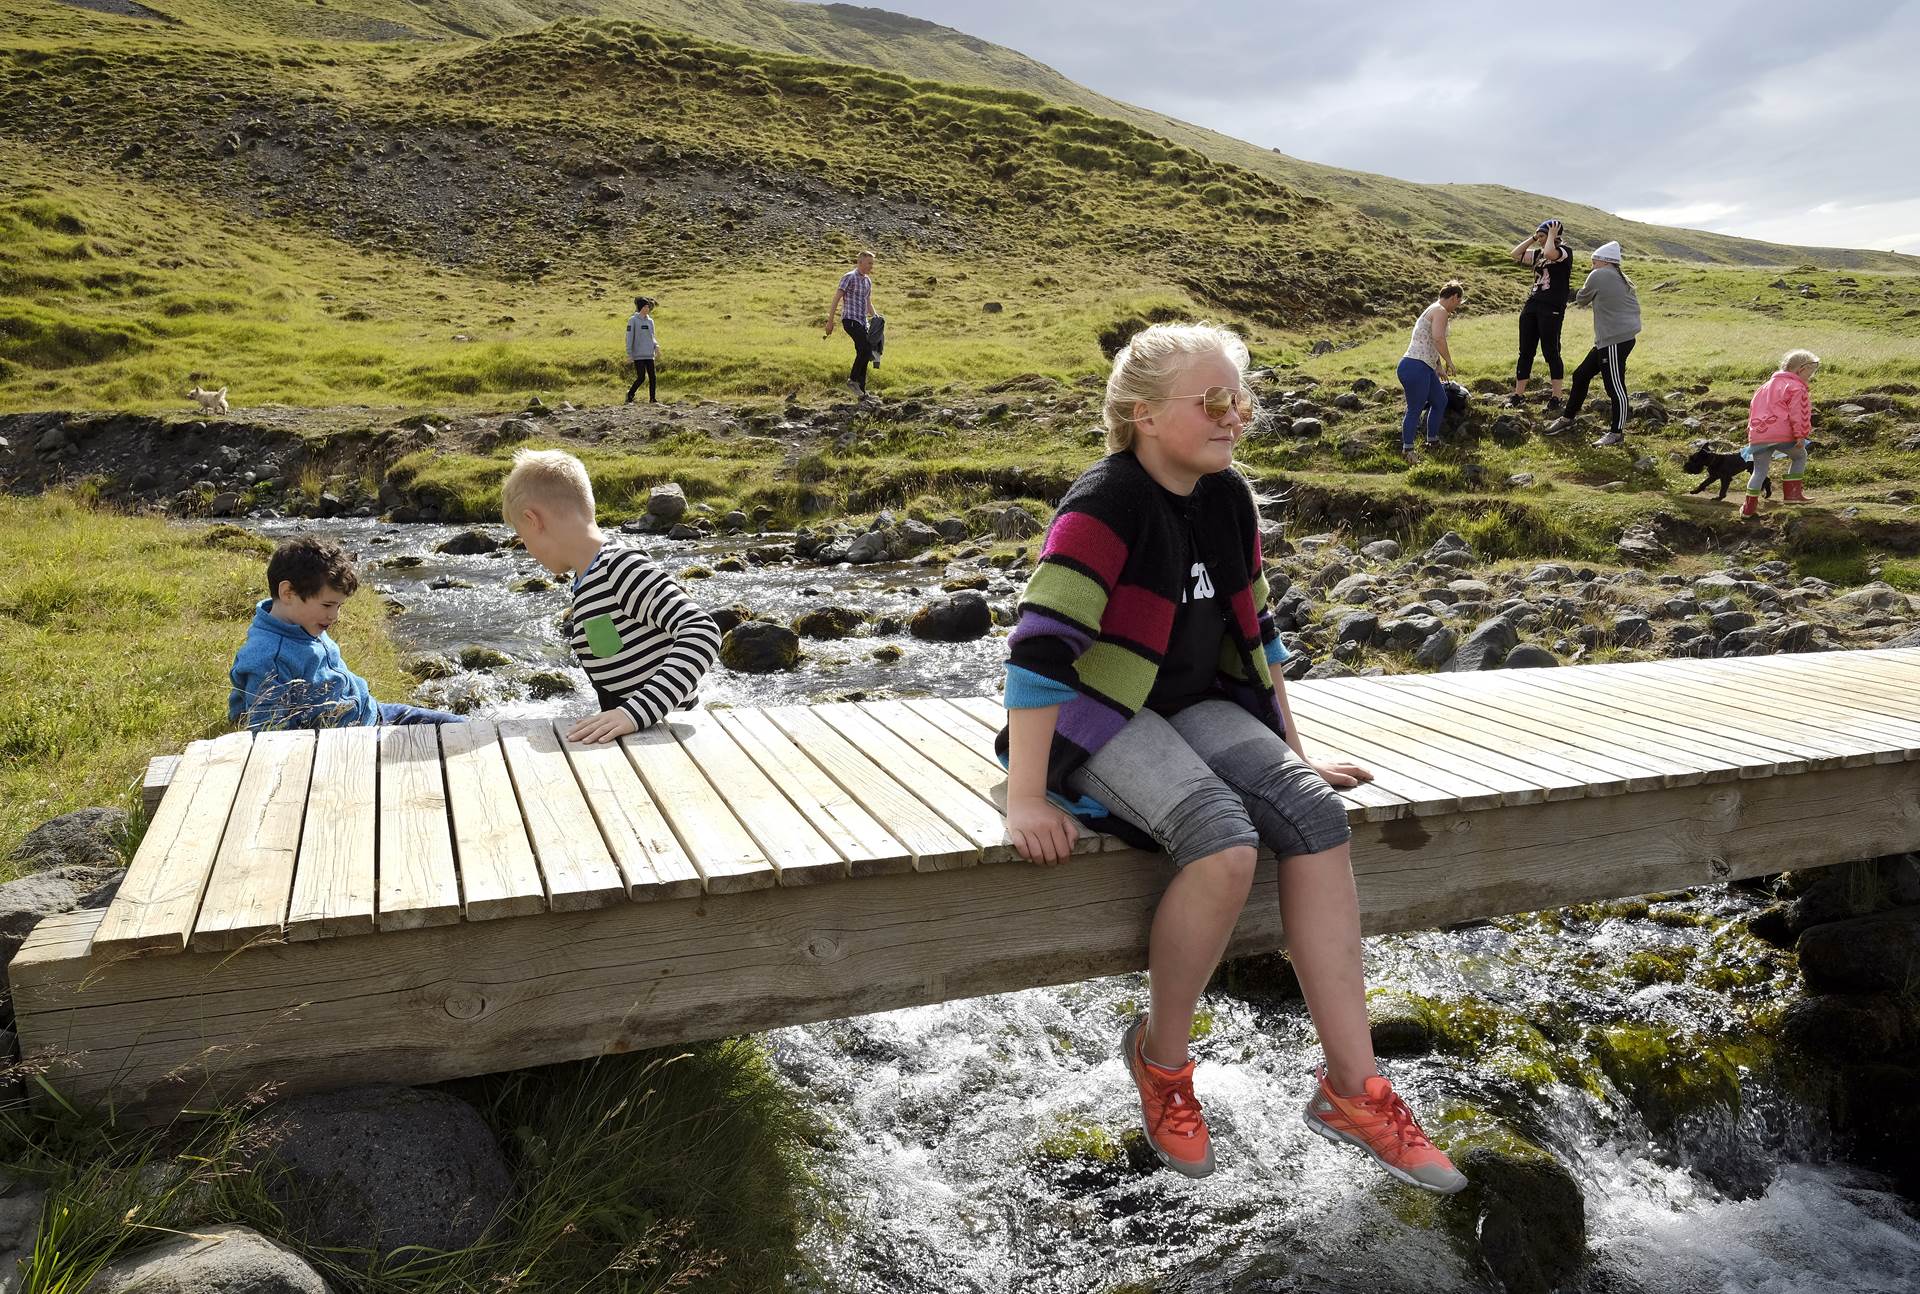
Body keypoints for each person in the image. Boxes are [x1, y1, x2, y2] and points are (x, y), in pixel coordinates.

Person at [997, 322, 1467, 1193]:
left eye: (1240, 400)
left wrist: (1294, 758)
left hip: (1198, 705)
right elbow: (1037, 650)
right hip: (1099, 716)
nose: (1234, 416)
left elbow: (1258, 641)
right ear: (1142, 415)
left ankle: (1354, 1091)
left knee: (1315, 818)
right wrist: (1026, 797)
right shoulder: (1105, 505)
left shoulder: (1229, 498)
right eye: (1213, 401)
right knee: (1222, 841)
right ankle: (1162, 1064)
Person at [501, 448, 720, 744]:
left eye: (522, 538)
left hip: (670, 741)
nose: (528, 551)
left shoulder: (619, 566)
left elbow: (702, 631)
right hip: (640, 744)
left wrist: (634, 713)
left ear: (533, 520)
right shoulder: (586, 580)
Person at [229, 537, 463, 731]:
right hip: (348, 740)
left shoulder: (303, 622)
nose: (334, 616)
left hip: (373, 712)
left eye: (338, 607)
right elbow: (270, 732)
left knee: (461, 727)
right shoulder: (268, 657)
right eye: (327, 605)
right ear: (288, 593)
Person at [1547, 241, 1641, 446]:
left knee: (1615, 386)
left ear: (1603, 261)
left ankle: (1616, 433)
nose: (1592, 266)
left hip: (1614, 340)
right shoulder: (1619, 277)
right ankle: (1568, 418)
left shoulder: (1600, 275)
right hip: (1612, 339)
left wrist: (1570, 290)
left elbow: (1581, 299)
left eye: (1593, 262)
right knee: (1581, 375)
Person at [1742, 349, 1819, 517]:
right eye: (1810, 373)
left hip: (1759, 435)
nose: (1810, 377)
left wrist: (1752, 435)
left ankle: (1748, 508)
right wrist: (1800, 435)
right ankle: (1792, 495)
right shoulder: (1797, 387)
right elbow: (1798, 413)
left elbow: (1752, 411)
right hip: (1783, 434)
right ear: (1801, 369)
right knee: (1800, 456)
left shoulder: (1763, 387)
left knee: (1759, 470)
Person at [1397, 281, 1464, 463]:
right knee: (1415, 409)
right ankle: (1408, 450)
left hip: (1424, 366)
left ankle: (1432, 441)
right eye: (1458, 302)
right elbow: (1438, 338)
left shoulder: (1433, 309)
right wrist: (1448, 361)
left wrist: (1438, 366)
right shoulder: (1440, 311)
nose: (1457, 306)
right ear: (1454, 297)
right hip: (1415, 366)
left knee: (1440, 400)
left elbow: (1428, 341)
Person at [1510, 219, 1571, 408]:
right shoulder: (1538, 254)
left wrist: (1551, 235)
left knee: (1551, 351)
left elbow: (1551, 253)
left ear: (1554, 235)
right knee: (1525, 351)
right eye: (1539, 236)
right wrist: (1533, 237)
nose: (1540, 239)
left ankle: (1556, 396)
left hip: (1551, 306)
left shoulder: (1564, 252)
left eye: (1542, 235)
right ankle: (1518, 395)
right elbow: (1515, 254)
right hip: (1533, 304)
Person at [824, 251, 878, 398]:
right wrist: (830, 321)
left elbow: (868, 302)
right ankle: (853, 380)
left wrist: (877, 317)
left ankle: (862, 391)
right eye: (869, 263)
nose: (871, 266)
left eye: (872, 263)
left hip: (862, 321)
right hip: (850, 319)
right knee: (865, 349)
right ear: (860, 262)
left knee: (865, 353)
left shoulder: (868, 281)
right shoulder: (849, 277)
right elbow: (836, 298)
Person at [624, 297, 659, 404]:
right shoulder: (632, 320)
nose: (647, 308)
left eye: (648, 306)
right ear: (640, 307)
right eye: (645, 306)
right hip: (638, 354)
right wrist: (630, 353)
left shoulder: (650, 321)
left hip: (649, 354)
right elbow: (629, 337)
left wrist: (656, 345)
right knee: (641, 377)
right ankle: (630, 394)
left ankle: (652, 399)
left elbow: (652, 336)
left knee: (653, 377)